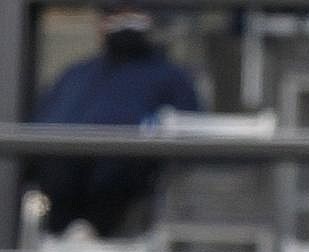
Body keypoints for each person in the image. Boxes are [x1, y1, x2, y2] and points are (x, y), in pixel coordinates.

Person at [28, 4, 201, 238]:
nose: (124, 21)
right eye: (115, 14)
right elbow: (41, 124)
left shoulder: (170, 76)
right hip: (59, 188)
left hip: (122, 184)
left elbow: (190, 128)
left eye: (132, 13)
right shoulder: (77, 75)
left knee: (114, 162)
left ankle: (90, 230)